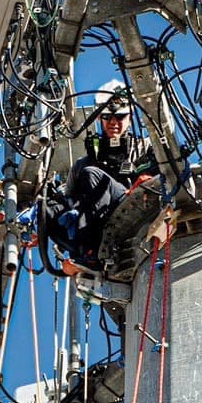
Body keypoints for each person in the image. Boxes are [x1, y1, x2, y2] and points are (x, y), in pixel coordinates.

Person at [53, 83, 156, 271]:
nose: (113, 122)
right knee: (48, 207)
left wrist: (145, 182)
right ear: (99, 118)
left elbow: (167, 177)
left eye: (120, 117)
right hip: (95, 222)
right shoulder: (84, 163)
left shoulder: (147, 147)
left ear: (130, 116)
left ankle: (90, 255)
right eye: (107, 117)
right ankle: (81, 256)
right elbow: (66, 197)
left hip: (132, 208)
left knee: (92, 175)